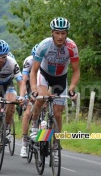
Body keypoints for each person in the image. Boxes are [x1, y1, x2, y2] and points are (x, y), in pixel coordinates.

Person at [29, 17, 80, 162]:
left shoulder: (71, 47)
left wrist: (71, 89)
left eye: (63, 33)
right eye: (57, 33)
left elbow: (76, 71)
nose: (60, 37)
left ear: (67, 34)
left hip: (60, 78)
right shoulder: (44, 45)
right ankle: (34, 126)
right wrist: (34, 89)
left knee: (57, 114)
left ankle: (56, 146)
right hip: (44, 75)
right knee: (42, 98)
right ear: (52, 32)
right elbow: (34, 71)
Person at [19, 44, 38, 158]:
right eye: (35, 58)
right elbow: (23, 79)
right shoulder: (29, 61)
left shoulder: (47, 62)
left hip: (43, 85)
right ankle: (24, 144)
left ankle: (47, 140)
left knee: (48, 111)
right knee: (28, 113)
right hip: (30, 86)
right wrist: (25, 94)